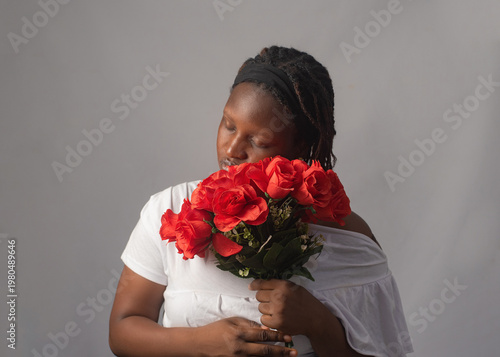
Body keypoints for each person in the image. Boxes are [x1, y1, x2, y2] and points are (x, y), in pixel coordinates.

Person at [109, 46, 413, 357]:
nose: (233, 149)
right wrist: (199, 343)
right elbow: (122, 330)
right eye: (229, 125)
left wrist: (319, 323)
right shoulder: (171, 209)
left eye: (259, 141)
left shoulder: (348, 237)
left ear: (301, 146)